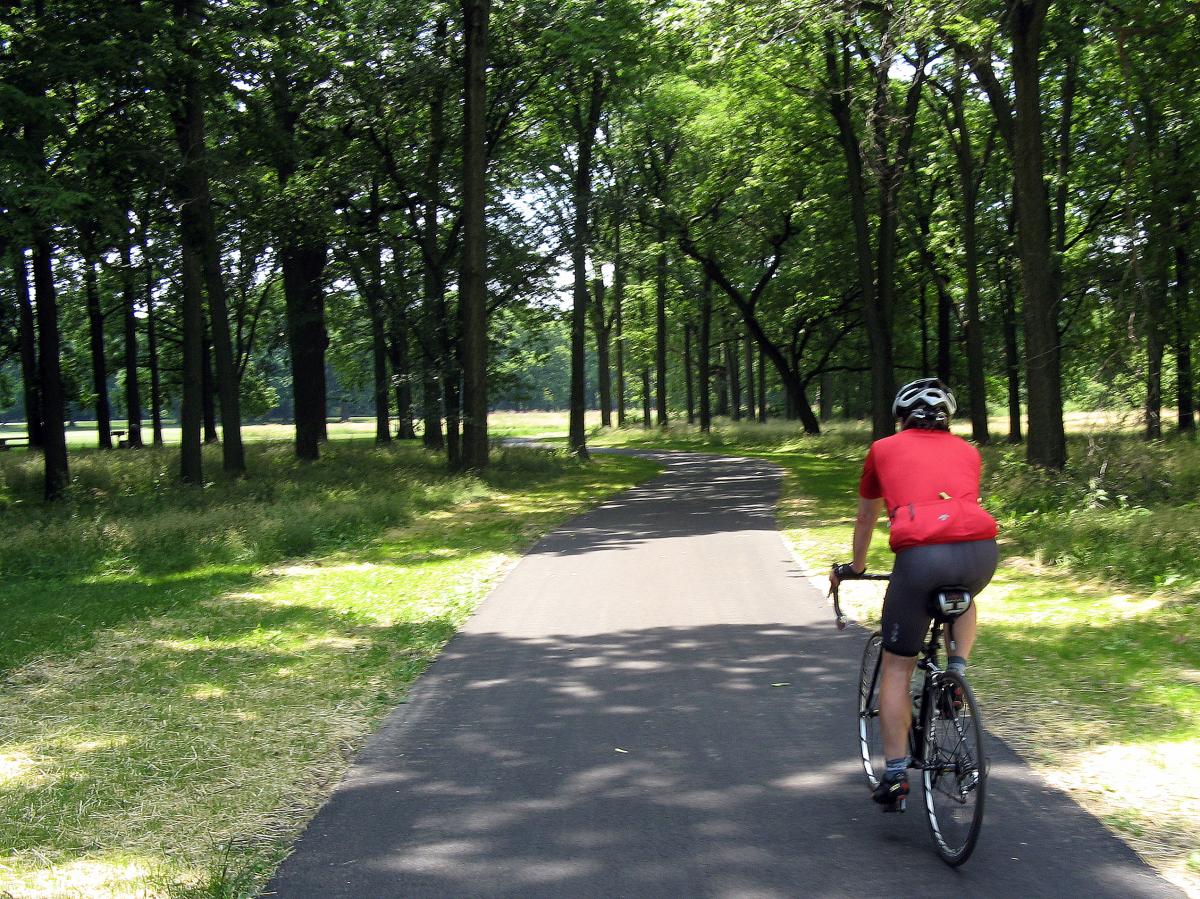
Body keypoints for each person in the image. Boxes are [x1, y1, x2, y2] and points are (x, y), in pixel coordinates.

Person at [829, 378, 999, 811]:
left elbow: (867, 516)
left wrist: (856, 568)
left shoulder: (883, 449)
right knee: (962, 594)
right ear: (947, 420)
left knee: (897, 670)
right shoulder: (968, 451)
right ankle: (957, 672)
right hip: (981, 555)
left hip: (921, 559)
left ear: (900, 418)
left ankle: (896, 774)